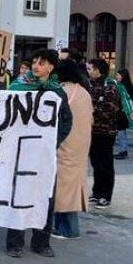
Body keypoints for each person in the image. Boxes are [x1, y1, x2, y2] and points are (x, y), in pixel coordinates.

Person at [5, 49, 73, 258]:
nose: (36, 66)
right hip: (22, 151)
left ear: (51, 67)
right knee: (19, 195)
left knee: (45, 197)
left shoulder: (57, 92)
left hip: (44, 155)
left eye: (41, 63)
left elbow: (66, 121)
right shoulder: (19, 87)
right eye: (34, 62)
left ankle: (41, 242)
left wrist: (53, 142)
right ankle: (14, 243)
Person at [51, 59, 93, 239]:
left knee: (62, 191)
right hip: (81, 147)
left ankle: (66, 229)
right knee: (73, 189)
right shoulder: (84, 92)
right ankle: (67, 227)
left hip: (65, 146)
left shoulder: (64, 92)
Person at [87, 58, 121, 209]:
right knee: (95, 163)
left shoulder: (110, 87)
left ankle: (105, 195)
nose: (87, 71)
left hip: (105, 131)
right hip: (92, 131)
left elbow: (110, 110)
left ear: (97, 70)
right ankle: (97, 191)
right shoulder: (89, 86)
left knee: (105, 164)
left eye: (90, 68)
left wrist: (90, 110)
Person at [113, 68, 133, 160]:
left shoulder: (123, 87)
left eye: (118, 75)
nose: (117, 76)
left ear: (123, 76)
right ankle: (123, 150)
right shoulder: (127, 85)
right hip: (124, 112)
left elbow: (123, 100)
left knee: (121, 132)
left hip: (122, 112)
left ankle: (123, 151)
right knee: (121, 132)